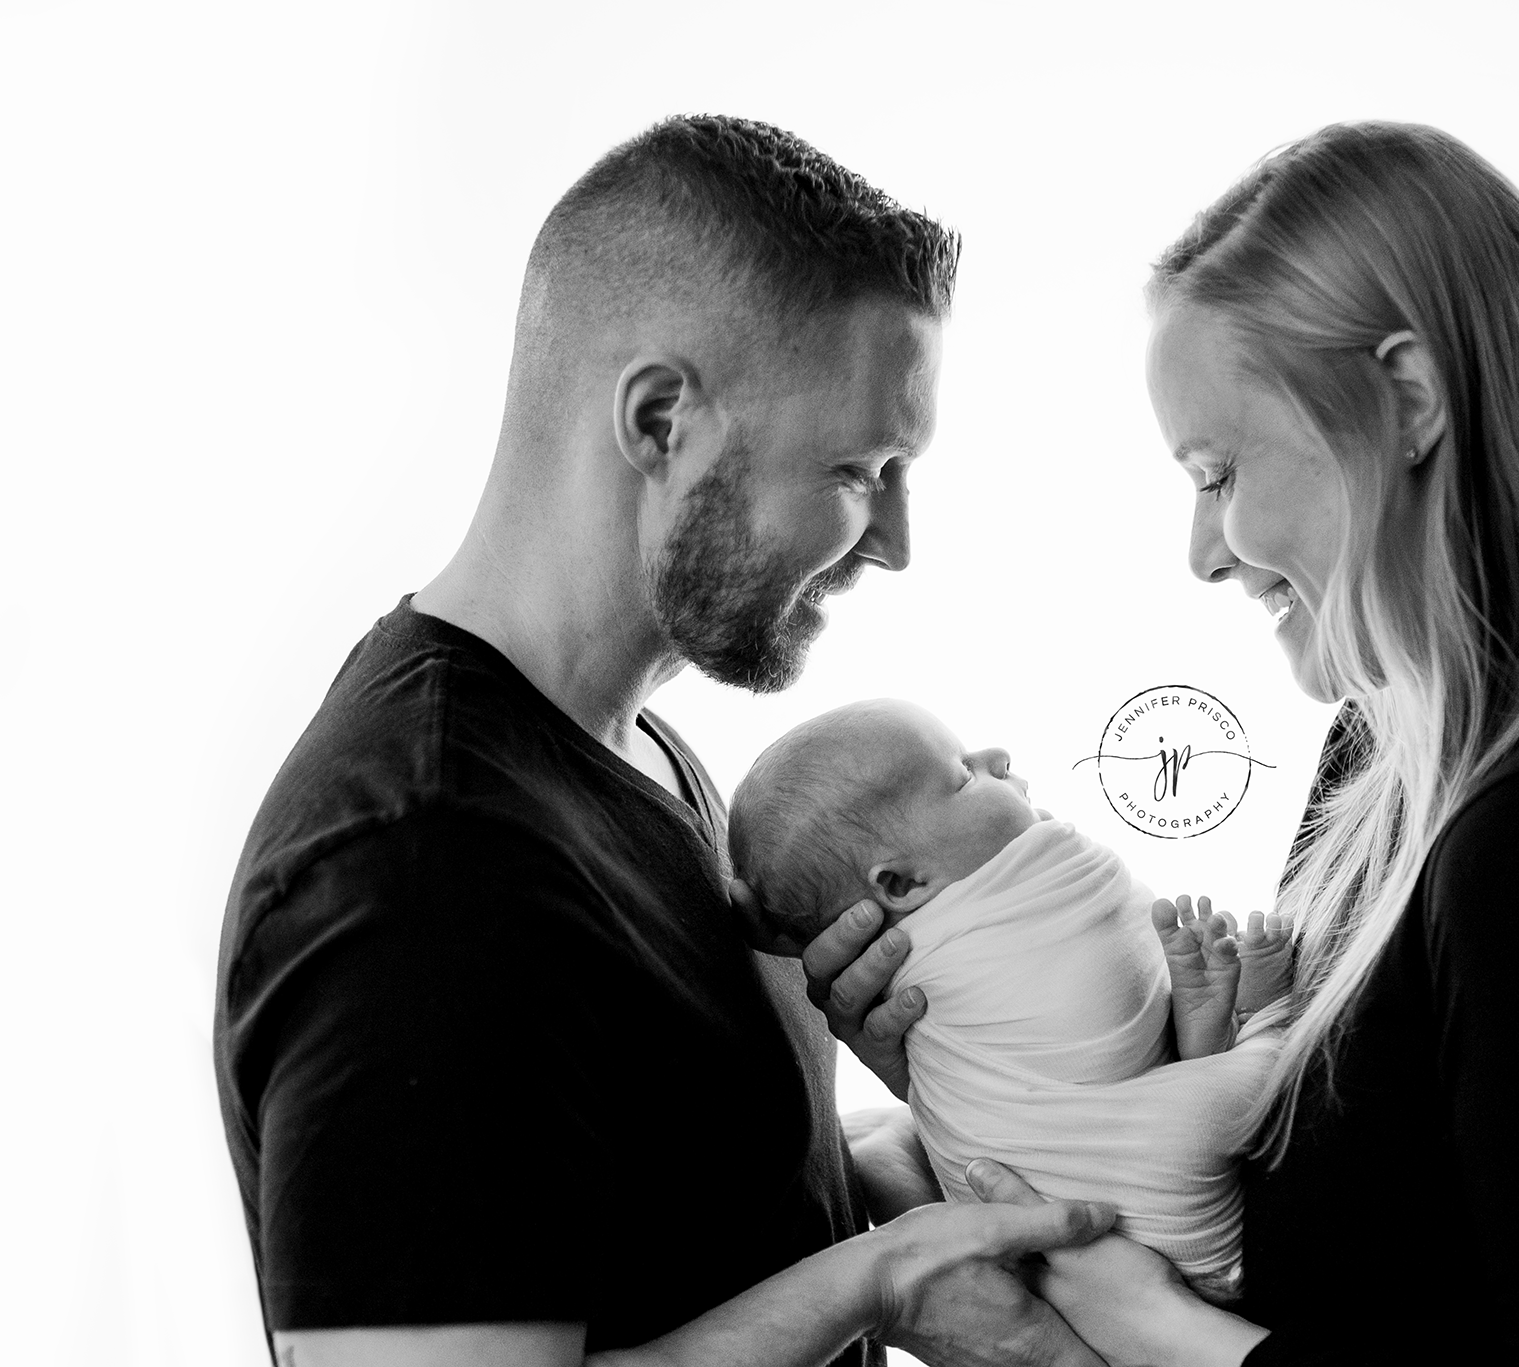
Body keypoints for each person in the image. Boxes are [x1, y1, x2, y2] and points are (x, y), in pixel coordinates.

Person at [812, 121, 1519, 1365]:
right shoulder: (1387, 745)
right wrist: (984, 1073)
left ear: (1407, 399)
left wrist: (1142, 1329)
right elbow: (1349, 1226)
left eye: (1218, 473)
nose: (1202, 552)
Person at [212, 115, 1120, 1367]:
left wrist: (911, 1135)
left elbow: (674, 1220)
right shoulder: (421, 870)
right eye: (859, 468)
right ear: (657, 421)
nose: (895, 542)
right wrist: (878, 1282)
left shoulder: (632, 751)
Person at [727, 699, 1293, 1297]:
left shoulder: (945, 928)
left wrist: (791, 933)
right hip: (1130, 1206)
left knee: (1120, 1050)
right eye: (963, 775)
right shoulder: (926, 962)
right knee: (1195, 1091)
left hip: (1080, 1231)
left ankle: (1206, 1039)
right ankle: (1257, 1025)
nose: (996, 755)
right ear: (902, 882)